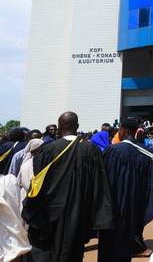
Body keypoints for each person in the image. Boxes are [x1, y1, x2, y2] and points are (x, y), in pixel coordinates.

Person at [22, 111, 115, 262]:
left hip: (50, 211)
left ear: (59, 127)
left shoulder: (49, 149)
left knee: (49, 250)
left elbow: (38, 181)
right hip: (79, 211)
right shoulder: (91, 150)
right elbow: (99, 183)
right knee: (73, 249)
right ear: (77, 126)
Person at [99, 117, 153, 262]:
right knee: (127, 243)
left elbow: (104, 182)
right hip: (134, 209)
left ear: (123, 131)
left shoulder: (113, 150)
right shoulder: (146, 154)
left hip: (113, 208)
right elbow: (150, 187)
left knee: (109, 246)